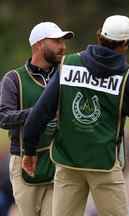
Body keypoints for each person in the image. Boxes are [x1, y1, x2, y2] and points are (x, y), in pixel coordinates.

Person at [22, 15, 129, 216]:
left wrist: (29, 150)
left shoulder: (68, 63)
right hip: (103, 163)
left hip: (68, 160)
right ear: (123, 44)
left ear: (100, 37)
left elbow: (41, 112)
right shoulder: (127, 76)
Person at [0, 22, 74, 216]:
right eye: (56, 41)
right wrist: (40, 112)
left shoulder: (69, 74)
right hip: (24, 159)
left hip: (60, 161)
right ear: (39, 44)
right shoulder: (13, 78)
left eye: (63, 41)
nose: (63, 46)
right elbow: (3, 117)